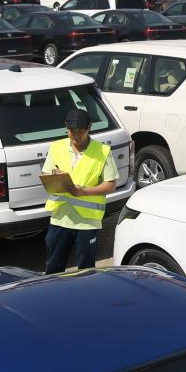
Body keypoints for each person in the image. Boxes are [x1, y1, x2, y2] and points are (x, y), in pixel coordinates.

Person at [41, 107, 118, 274]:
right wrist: (56, 176)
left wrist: (83, 191)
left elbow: (111, 184)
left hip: (87, 222)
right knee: (53, 269)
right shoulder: (56, 147)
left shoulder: (103, 151)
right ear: (66, 127)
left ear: (89, 128)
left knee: (86, 271)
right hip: (60, 218)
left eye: (81, 131)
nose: (75, 135)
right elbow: (46, 175)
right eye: (71, 131)